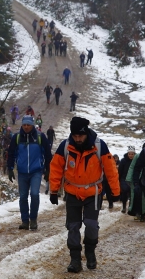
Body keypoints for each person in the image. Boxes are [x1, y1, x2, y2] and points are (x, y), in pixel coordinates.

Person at [49, 117, 120, 273]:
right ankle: (75, 259)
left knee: (91, 224)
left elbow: (111, 170)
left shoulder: (99, 146)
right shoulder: (65, 146)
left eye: (80, 136)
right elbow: (56, 168)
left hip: (93, 192)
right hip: (72, 191)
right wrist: (54, 190)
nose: (78, 139)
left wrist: (115, 191)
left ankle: (90, 251)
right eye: (74, 136)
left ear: (86, 133)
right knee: (73, 226)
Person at [7, 115, 52, 230]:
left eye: (28, 125)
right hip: (22, 172)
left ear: (32, 125)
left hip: (36, 171)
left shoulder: (40, 137)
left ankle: (33, 219)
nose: (26, 127)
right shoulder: (17, 137)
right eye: (24, 124)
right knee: (23, 197)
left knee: (35, 194)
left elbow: (47, 153)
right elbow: (11, 153)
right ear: (22, 125)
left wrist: (48, 170)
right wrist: (10, 168)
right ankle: (25, 221)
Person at [117, 146, 135, 213]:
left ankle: (130, 207)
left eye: (132, 154)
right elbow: (120, 171)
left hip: (132, 179)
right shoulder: (123, 160)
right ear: (127, 154)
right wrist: (119, 180)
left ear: (134, 154)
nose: (131, 155)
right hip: (124, 178)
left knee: (132, 193)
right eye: (129, 154)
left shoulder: (136, 160)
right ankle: (124, 206)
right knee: (125, 190)